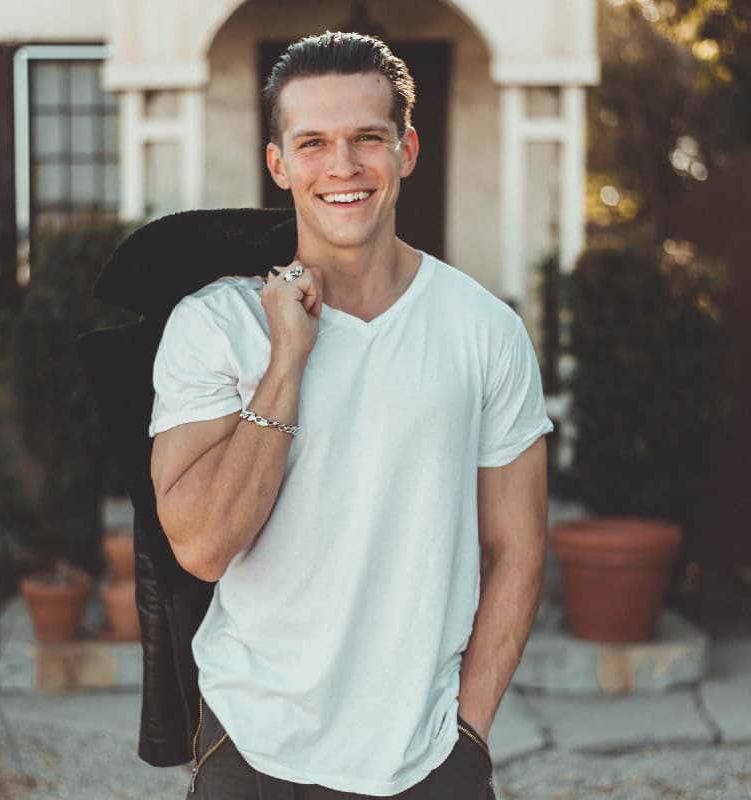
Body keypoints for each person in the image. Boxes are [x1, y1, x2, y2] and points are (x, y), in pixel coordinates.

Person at [148, 30, 553, 800]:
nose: (343, 167)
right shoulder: (215, 326)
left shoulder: (483, 329)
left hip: (426, 756)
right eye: (314, 143)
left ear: (407, 149)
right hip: (252, 747)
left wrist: (468, 735)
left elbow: (517, 549)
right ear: (278, 164)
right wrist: (287, 363)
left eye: (368, 138)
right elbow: (200, 545)